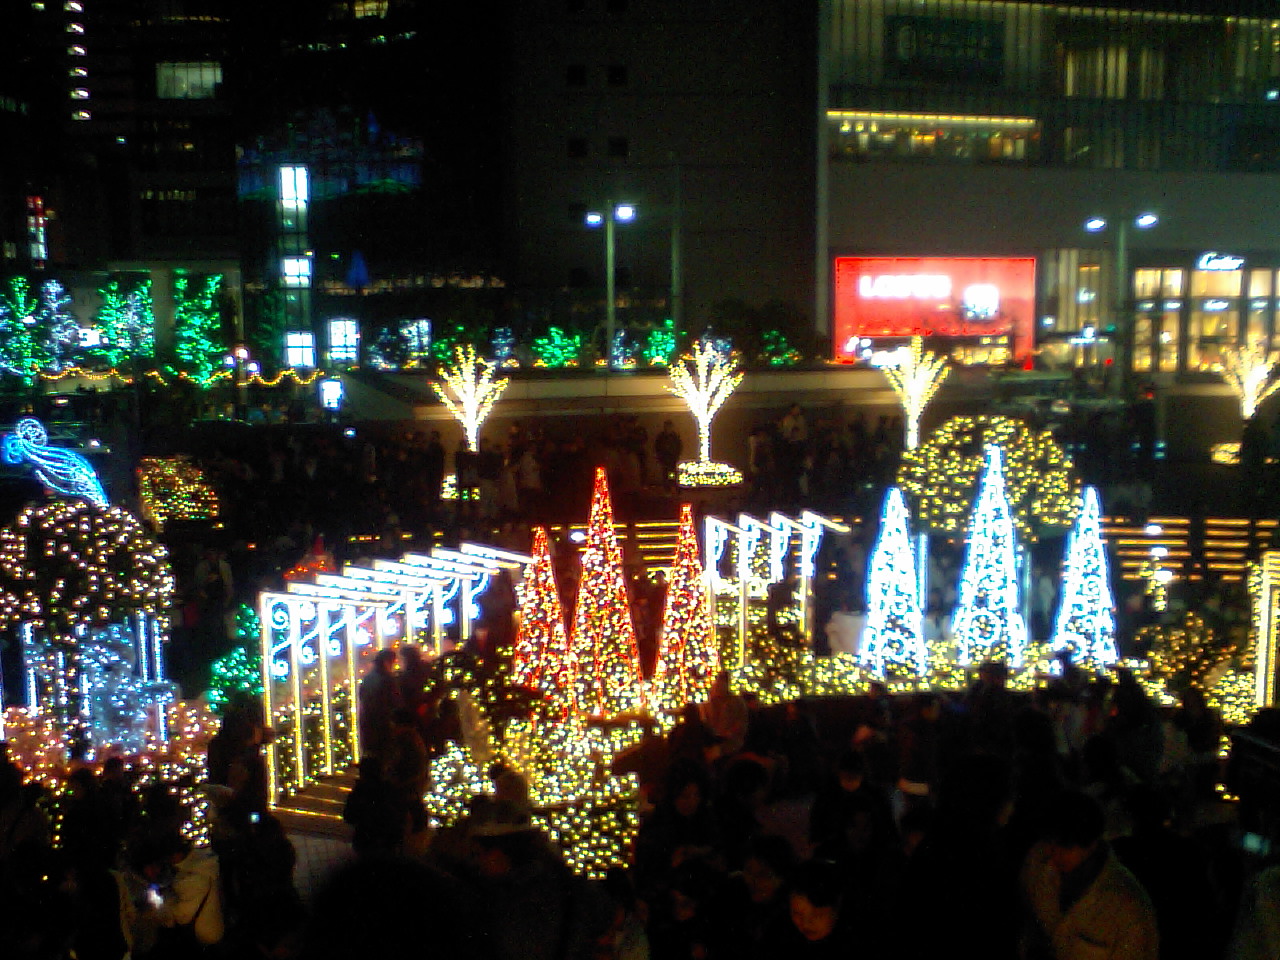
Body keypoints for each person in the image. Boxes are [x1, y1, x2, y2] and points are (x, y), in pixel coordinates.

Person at [1021, 791, 1158, 960]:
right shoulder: (1037, 860)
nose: (1052, 855)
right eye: (1049, 843)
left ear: (1092, 844)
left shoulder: (1129, 909)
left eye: (1065, 848)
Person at [358, 649, 400, 761]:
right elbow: (393, 701)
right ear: (386, 662)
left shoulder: (368, 678)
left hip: (368, 723)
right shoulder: (387, 679)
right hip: (383, 724)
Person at [655, 420, 682, 489]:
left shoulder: (675, 436)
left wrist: (677, 455)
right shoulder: (661, 437)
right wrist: (659, 456)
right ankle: (667, 486)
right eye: (667, 427)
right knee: (665, 472)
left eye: (669, 427)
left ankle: (671, 484)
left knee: (671, 472)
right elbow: (657, 447)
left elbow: (679, 446)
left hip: (672, 458)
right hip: (664, 458)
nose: (668, 428)